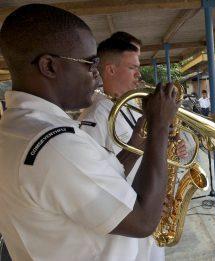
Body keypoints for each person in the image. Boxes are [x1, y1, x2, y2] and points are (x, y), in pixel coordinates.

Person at [0, 4, 179, 260]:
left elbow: (99, 178)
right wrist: (159, 128)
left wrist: (140, 141)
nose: (96, 74)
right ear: (49, 66)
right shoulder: (54, 145)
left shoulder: (21, 126)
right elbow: (142, 222)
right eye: (90, 63)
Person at [79, 34, 187, 261]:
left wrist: (169, 146)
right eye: (132, 67)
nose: (139, 74)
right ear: (110, 70)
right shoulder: (97, 115)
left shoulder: (126, 106)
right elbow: (96, 185)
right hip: (128, 224)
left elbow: (142, 151)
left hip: (147, 207)